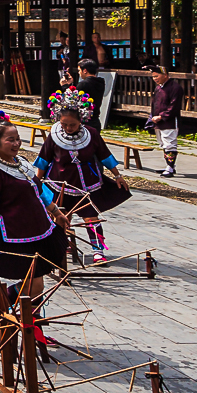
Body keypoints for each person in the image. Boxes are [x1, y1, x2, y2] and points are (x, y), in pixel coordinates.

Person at [0, 121, 69, 320]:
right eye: (10, 140)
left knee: (37, 285)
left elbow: (39, 189)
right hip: (16, 234)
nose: (16, 143)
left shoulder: (22, 162)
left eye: (17, 139)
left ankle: (32, 330)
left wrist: (55, 211)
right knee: (33, 285)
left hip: (40, 230)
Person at [36, 87, 131, 264]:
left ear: (81, 120)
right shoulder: (54, 134)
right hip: (60, 183)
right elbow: (43, 158)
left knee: (91, 218)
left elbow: (105, 155)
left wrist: (117, 176)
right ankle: (61, 245)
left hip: (87, 183)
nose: (68, 128)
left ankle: (98, 250)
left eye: (72, 124)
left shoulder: (91, 134)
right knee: (61, 217)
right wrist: (37, 182)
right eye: (64, 124)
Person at [147, 66, 182, 177]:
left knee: (170, 143)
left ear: (165, 75)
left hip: (169, 120)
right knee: (163, 143)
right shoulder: (158, 88)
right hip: (157, 119)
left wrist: (162, 116)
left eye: (157, 76)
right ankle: (169, 165)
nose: (155, 79)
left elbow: (174, 106)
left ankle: (170, 167)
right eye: (153, 77)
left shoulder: (175, 88)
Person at [75, 59, 106, 130]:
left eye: (79, 70)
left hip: (84, 121)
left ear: (85, 70)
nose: (79, 73)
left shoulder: (83, 84)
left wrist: (66, 86)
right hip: (95, 120)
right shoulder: (100, 82)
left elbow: (72, 100)